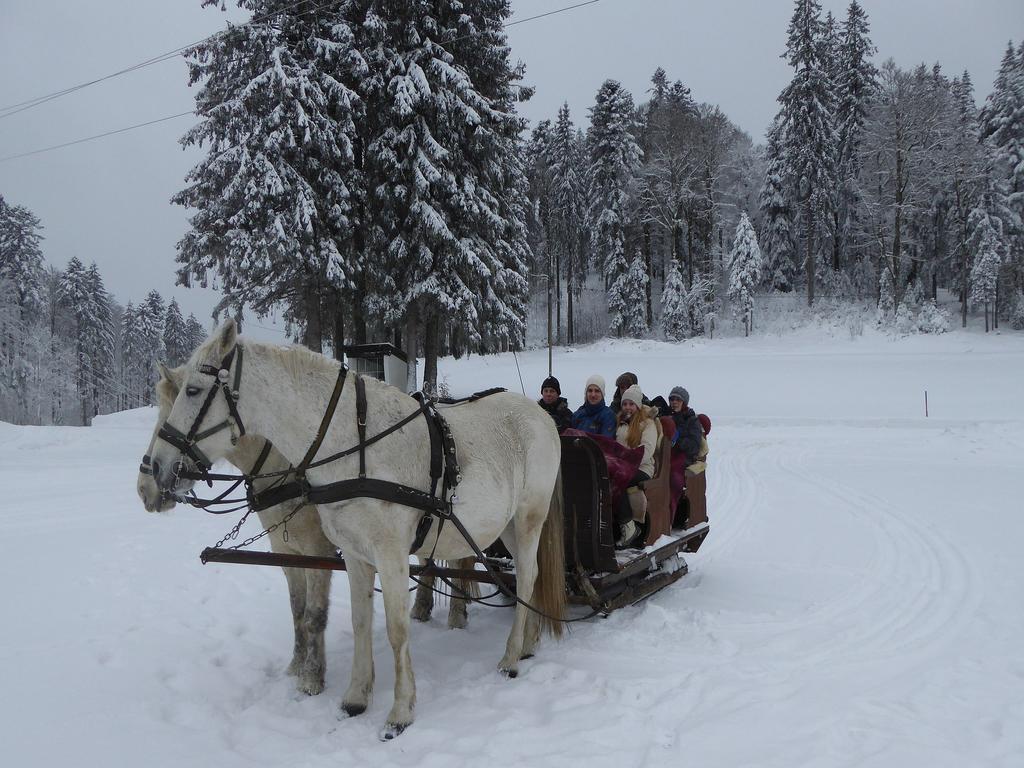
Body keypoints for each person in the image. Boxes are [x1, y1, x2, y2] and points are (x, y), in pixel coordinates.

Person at [613, 384, 658, 548]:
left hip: (641, 468)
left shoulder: (647, 424)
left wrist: (629, 460)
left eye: (631, 404)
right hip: (621, 466)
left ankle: (629, 526)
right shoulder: (620, 422)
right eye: (625, 404)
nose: (627, 407)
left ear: (638, 406)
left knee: (620, 480)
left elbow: (647, 449)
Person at [667, 386, 708, 530]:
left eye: (678, 399)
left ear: (684, 402)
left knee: (673, 477)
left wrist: (677, 441)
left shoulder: (692, 421)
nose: (674, 402)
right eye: (672, 399)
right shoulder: (667, 417)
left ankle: (669, 517)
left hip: (683, 458)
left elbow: (694, 446)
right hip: (667, 455)